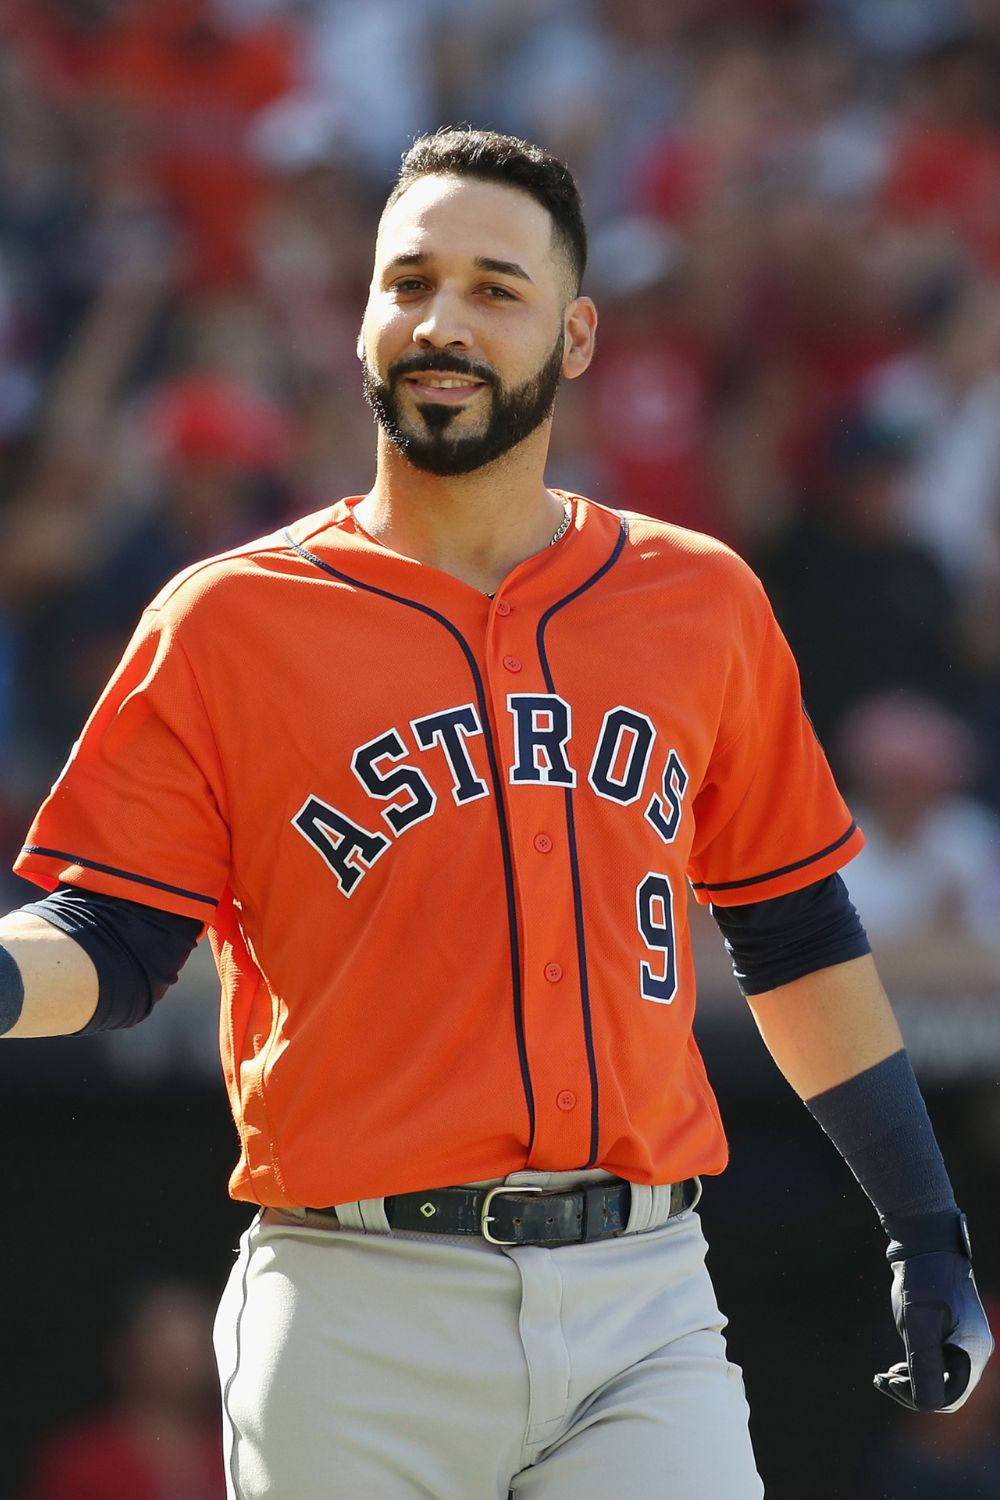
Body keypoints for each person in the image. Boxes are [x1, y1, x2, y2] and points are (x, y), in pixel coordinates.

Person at [1, 127, 992, 1500]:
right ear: (362, 317)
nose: (441, 322)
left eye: (494, 287)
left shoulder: (698, 599)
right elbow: (110, 938)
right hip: (357, 1299)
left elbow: (798, 935)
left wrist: (924, 1225)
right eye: (408, 281)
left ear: (577, 336)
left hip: (645, 1295)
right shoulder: (229, 619)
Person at [22, 1280, 227, 1500]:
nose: (187, 1363)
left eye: (197, 1348)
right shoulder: (83, 1459)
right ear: (127, 1354)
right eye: (169, 1350)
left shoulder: (238, 1449)